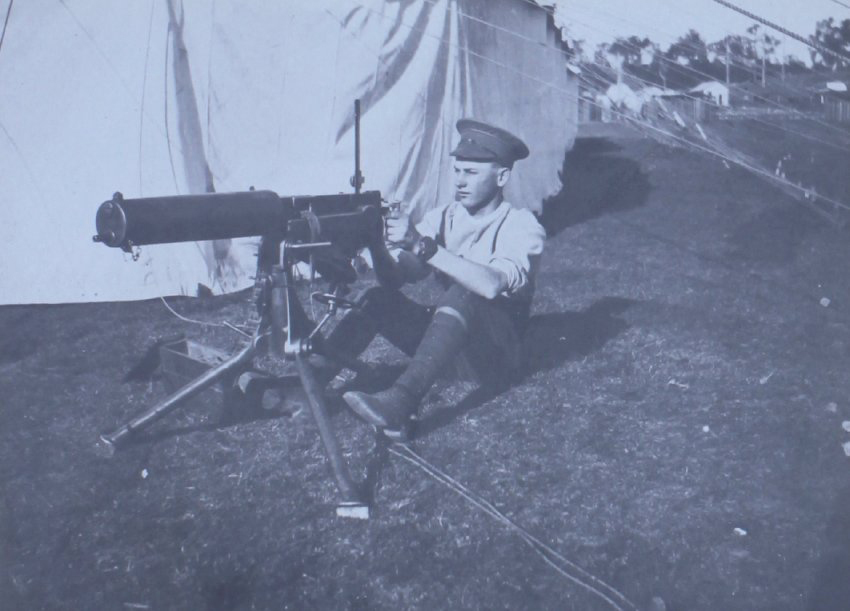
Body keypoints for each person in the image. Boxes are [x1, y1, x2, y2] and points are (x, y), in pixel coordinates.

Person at [320, 119, 546, 441]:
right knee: (377, 300)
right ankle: (307, 386)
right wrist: (377, 243)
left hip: (495, 354)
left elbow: (491, 285)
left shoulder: (522, 226)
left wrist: (421, 246)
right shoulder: (444, 216)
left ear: (502, 177)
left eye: (471, 173)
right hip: (451, 346)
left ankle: (402, 399)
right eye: (457, 171)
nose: (460, 181)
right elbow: (399, 277)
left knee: (464, 292)